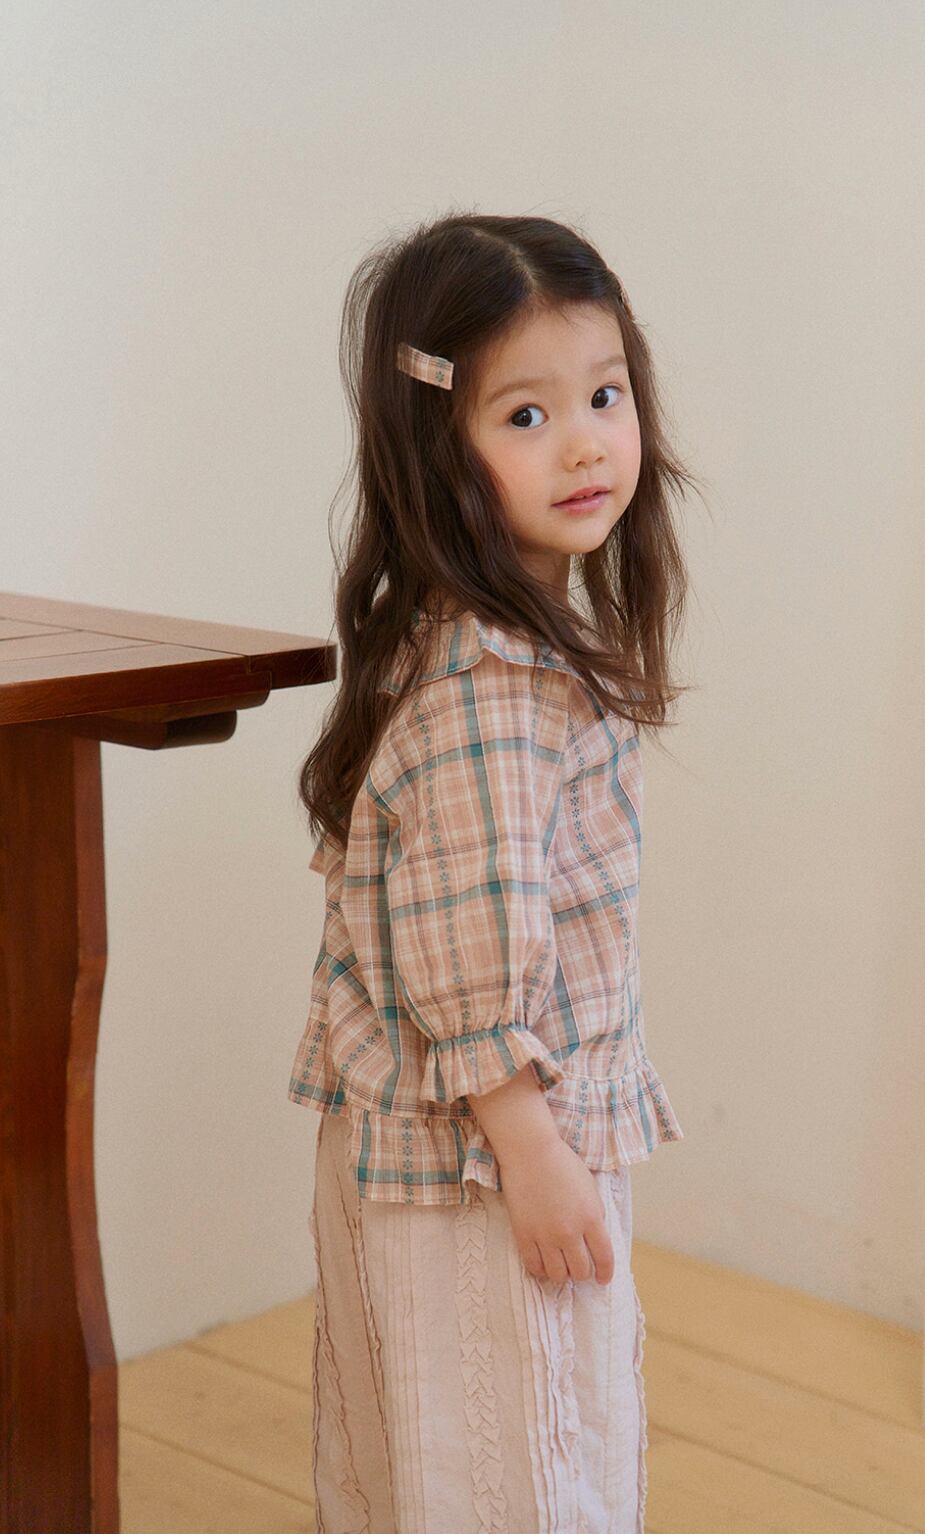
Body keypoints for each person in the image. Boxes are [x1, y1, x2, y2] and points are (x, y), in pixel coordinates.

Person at [287, 210, 700, 1533]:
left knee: (464, 1453)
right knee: (511, 1459)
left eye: (603, 395)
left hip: (470, 1137)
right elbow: (467, 933)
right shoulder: (493, 679)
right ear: (437, 448)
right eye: (525, 415)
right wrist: (532, 1150)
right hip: (480, 1154)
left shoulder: (484, 636)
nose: (584, 442)